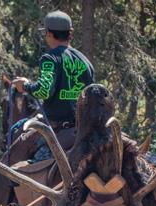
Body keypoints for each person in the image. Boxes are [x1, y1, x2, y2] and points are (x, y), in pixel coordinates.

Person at [11, 10, 95, 159]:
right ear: (70, 33)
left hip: (57, 128)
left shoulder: (50, 58)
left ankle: (13, 181)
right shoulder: (85, 61)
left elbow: (44, 91)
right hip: (82, 128)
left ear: (49, 34)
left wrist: (25, 86)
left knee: (17, 135)